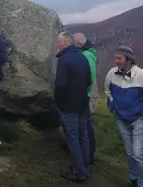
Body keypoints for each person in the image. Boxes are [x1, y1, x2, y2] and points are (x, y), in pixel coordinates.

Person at [104, 45, 143, 187]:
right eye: (115, 58)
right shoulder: (112, 73)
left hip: (139, 121)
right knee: (130, 153)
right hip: (121, 119)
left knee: (138, 154)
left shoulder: (142, 75)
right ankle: (134, 180)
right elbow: (107, 90)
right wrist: (112, 107)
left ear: (129, 60)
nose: (116, 61)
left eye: (119, 58)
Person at [55, 32, 91, 182]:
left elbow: (61, 85)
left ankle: (79, 173)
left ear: (65, 42)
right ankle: (83, 167)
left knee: (72, 138)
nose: (57, 45)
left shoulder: (64, 60)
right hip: (83, 103)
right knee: (83, 136)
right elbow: (89, 80)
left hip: (69, 105)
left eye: (58, 42)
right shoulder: (83, 57)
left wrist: (58, 102)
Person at [74, 33, 97, 165]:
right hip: (84, 94)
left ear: (79, 44)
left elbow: (89, 77)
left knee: (86, 127)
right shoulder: (87, 53)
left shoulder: (86, 56)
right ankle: (87, 155)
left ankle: (88, 156)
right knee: (85, 125)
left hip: (84, 95)